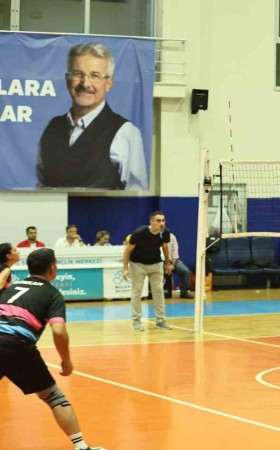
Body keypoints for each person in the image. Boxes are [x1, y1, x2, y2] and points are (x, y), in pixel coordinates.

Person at [0, 248, 106, 450]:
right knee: (54, 397)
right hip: (17, 346)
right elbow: (58, 330)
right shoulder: (52, 294)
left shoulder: (10, 288)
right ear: (52, 269)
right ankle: (81, 446)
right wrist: (66, 360)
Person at [36, 42, 147, 190]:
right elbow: (42, 185)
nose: (85, 83)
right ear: (67, 79)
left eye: (95, 75)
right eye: (78, 74)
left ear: (109, 83)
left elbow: (135, 194)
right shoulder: (53, 127)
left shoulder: (125, 132)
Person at [123, 211, 172, 331]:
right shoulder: (139, 233)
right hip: (138, 264)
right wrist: (125, 268)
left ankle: (160, 320)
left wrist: (167, 263)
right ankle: (136, 321)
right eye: (158, 221)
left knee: (158, 291)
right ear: (151, 222)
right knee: (137, 292)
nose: (161, 223)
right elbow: (127, 250)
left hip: (156, 263)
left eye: (163, 220)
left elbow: (165, 247)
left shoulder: (165, 233)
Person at [165, 232, 193, 299]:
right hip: (160, 261)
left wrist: (172, 265)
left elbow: (175, 254)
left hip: (172, 261)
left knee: (185, 271)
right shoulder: (153, 237)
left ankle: (184, 292)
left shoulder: (172, 236)